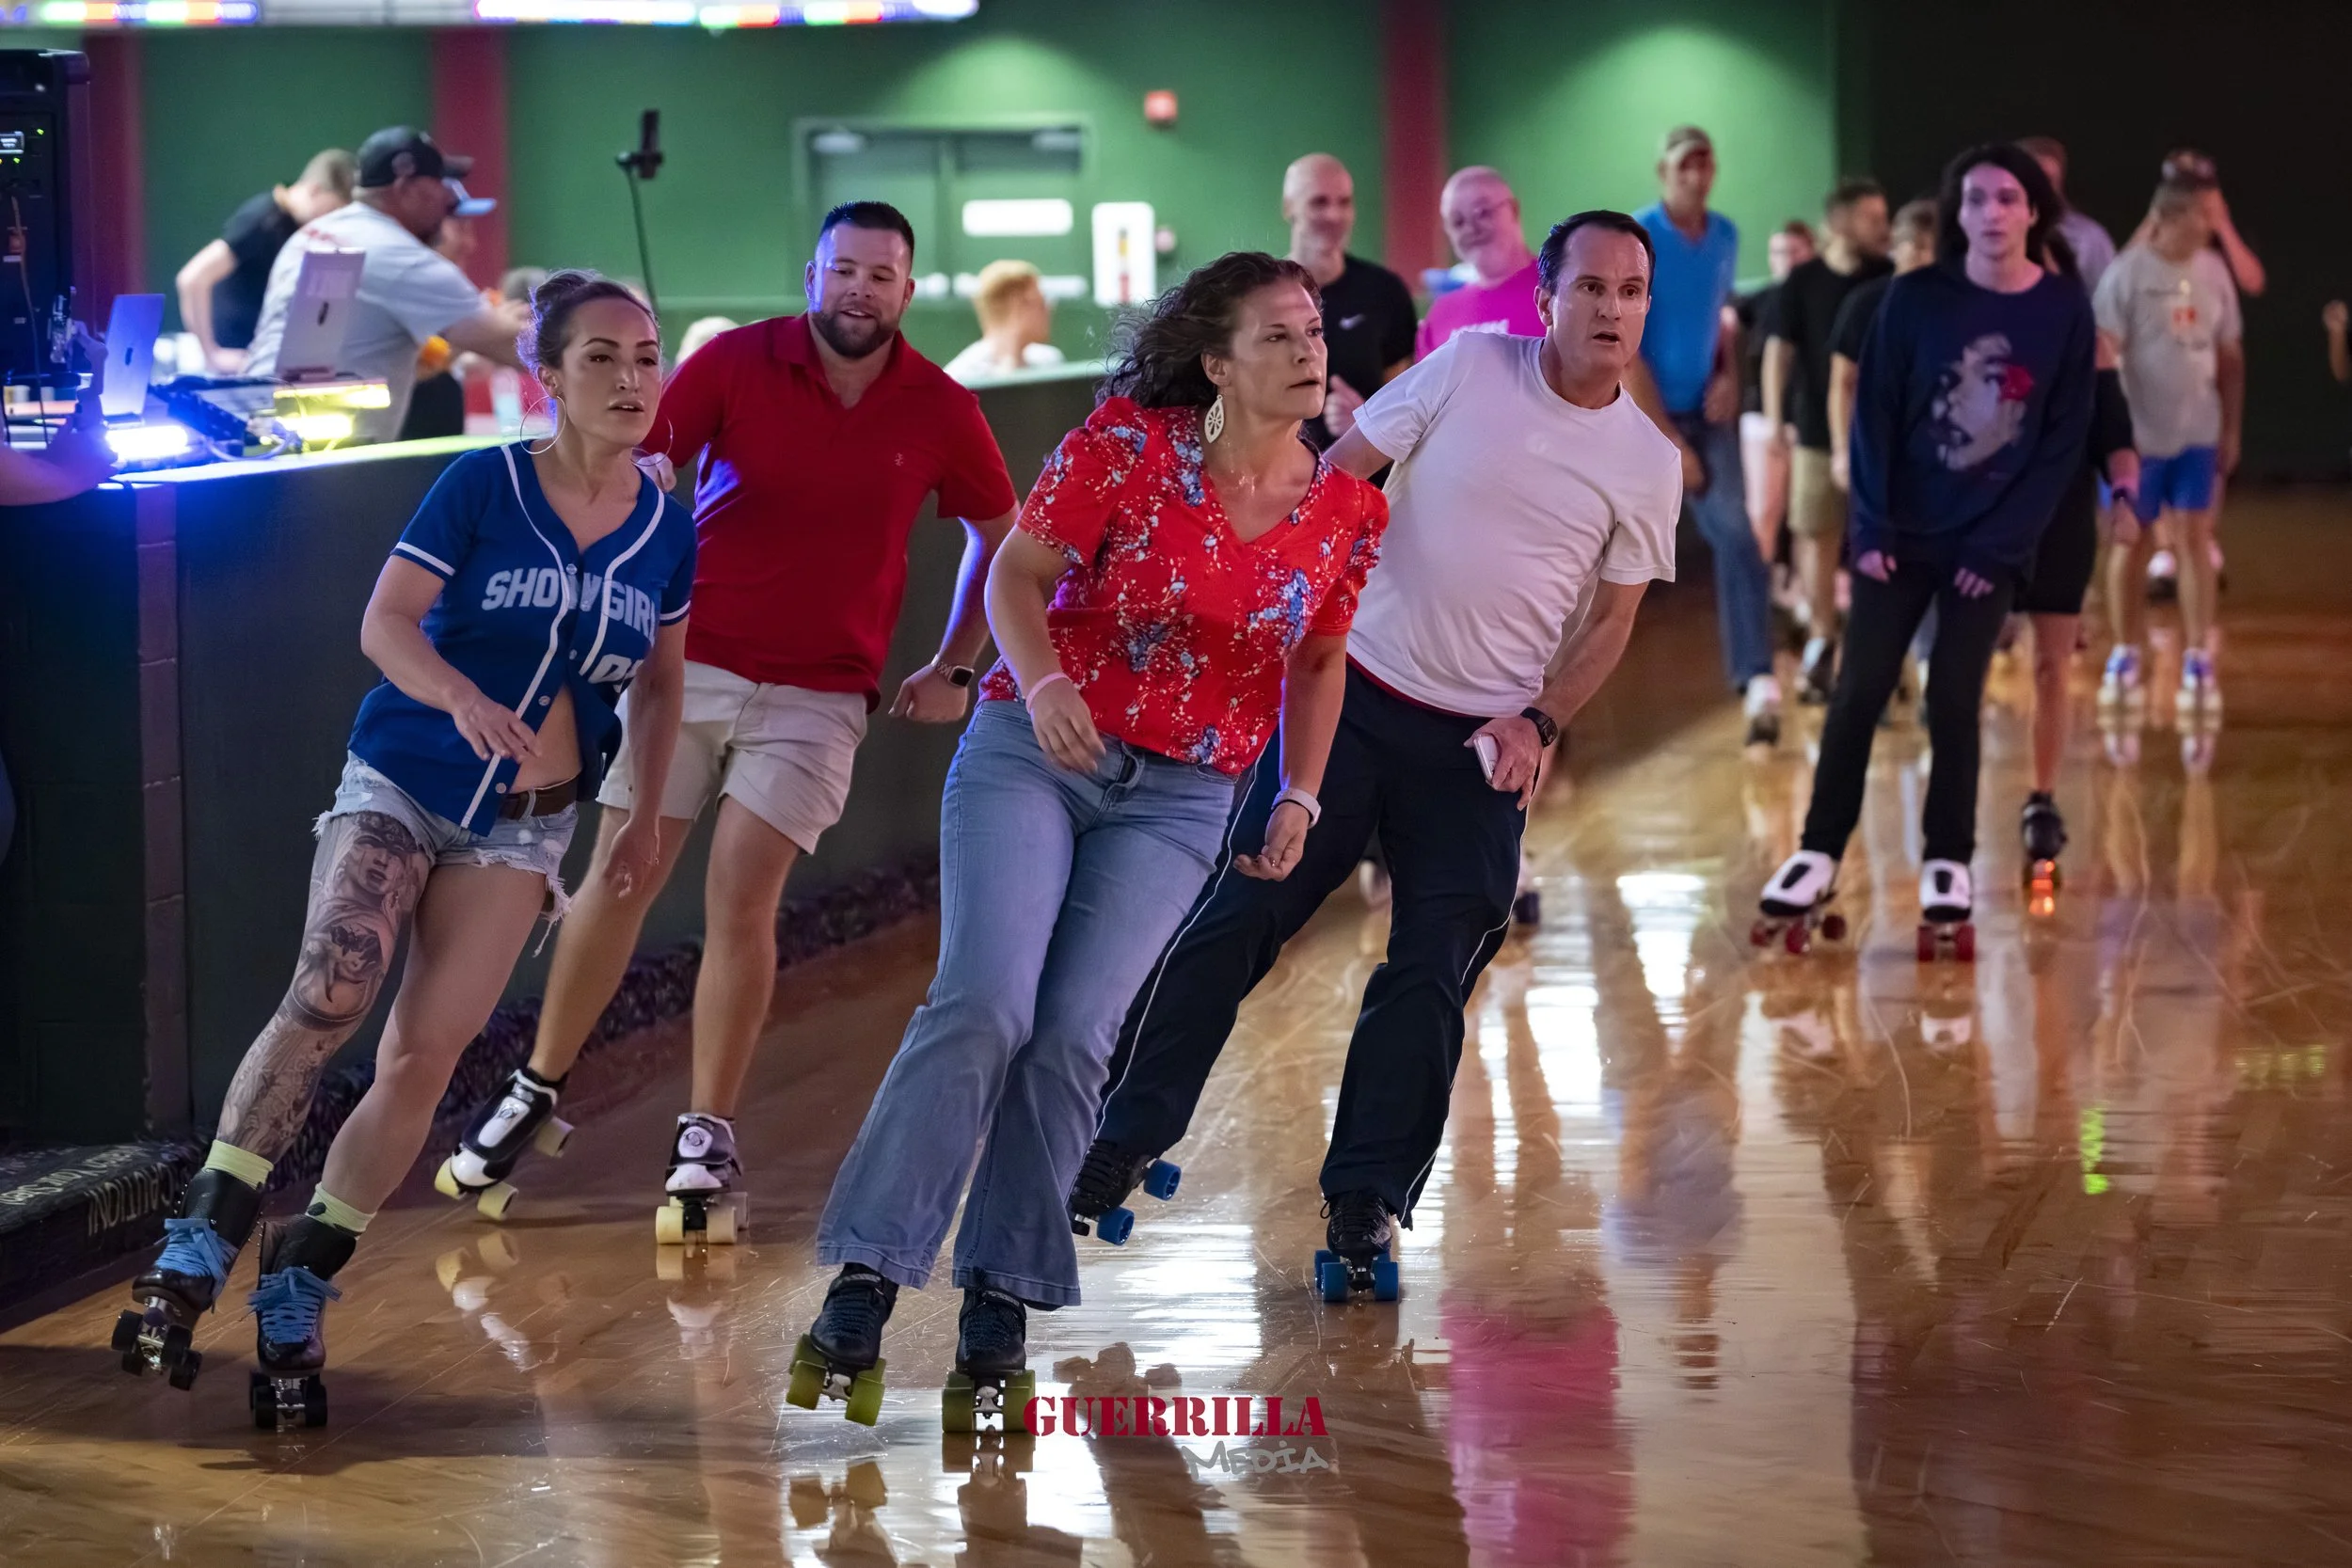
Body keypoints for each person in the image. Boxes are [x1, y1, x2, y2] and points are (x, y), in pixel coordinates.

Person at [788, 251, 1386, 1425]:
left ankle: (1000, 1294)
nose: (1309, 351)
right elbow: (1016, 576)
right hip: (1037, 751)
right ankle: (865, 1276)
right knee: (985, 1005)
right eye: (1277, 335)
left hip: (1181, 798)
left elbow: (1318, 658)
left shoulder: (1347, 511)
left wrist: (1300, 794)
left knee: (1072, 1036)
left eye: (1312, 331)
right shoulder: (1123, 446)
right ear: (1217, 363)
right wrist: (1045, 678)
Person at [114, 274, 695, 1418]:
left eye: (646, 355)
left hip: (525, 829)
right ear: (548, 372)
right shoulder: (483, 482)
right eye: (602, 359)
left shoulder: (664, 526)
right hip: (403, 782)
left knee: (423, 1060)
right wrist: (459, 696)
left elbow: (667, 681)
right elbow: (383, 620)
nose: (631, 380)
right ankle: (203, 1231)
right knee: (332, 993)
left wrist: (638, 819)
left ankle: (300, 1271)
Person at [1072, 212, 1677, 1300]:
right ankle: (1118, 1135)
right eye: (1590, 288)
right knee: (1241, 910)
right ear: (1545, 298)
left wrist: (1537, 722)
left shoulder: (1645, 461)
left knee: (1435, 961)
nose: (1610, 310)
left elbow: (1610, 620)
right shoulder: (1466, 368)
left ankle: (1365, 1202)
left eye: (1630, 292)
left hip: (1476, 745)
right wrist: (1278, 616)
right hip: (1348, 699)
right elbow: (1341, 472)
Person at [436, 202, 1019, 1237]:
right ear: (811, 276)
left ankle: (705, 1130)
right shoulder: (735, 365)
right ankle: (534, 1088)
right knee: (627, 865)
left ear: (907, 292)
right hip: (688, 660)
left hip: (822, 688)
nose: (860, 289)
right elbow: (635, 465)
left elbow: (1000, 541)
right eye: (844, 269)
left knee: (743, 895)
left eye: (881, 275)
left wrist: (956, 662)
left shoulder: (938, 406)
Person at [1756, 144, 2093, 953]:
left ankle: (1948, 859)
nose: (1990, 213)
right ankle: (1817, 849)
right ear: (1957, 215)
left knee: (1953, 698)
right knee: (1859, 690)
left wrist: (2002, 546)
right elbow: (1870, 419)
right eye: (1974, 199)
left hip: (1988, 545)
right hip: (1897, 541)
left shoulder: (2062, 311)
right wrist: (1870, 529)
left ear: (2033, 212)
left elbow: (2058, 444)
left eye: (2007, 199)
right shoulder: (1911, 300)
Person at [1629, 126, 1776, 748]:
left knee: (1738, 532)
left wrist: (1729, 378)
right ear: (1663, 170)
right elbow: (1626, 348)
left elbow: (1723, 319)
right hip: (1639, 417)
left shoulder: (1725, 236)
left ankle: (1759, 676)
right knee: (1595, 556)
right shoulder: (1639, 238)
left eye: (1705, 162)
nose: (1696, 174)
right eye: (1684, 164)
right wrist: (1668, 440)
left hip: (1706, 413)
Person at [244, 128, 529, 442]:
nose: (448, 198)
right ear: (405, 188)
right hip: (323, 456)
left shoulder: (314, 233)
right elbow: (517, 347)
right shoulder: (401, 257)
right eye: (439, 184)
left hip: (252, 431)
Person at [2094, 178, 2243, 720]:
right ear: (2168, 219)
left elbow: (2230, 357)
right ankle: (2124, 651)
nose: (2210, 226)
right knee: (2128, 542)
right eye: (2202, 217)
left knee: (2194, 538)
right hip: (2137, 438)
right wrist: (2108, 434)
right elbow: (2101, 351)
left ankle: (2198, 655)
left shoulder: (2213, 271)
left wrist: (2231, 430)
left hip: (2196, 435)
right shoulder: (2127, 273)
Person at [1764, 180, 1892, 703]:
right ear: (1840, 222)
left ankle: (1876, 649)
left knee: (1876, 542)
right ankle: (1821, 640)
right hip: (1817, 433)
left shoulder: (1888, 279)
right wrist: (1775, 421)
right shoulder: (1802, 281)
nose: (1882, 228)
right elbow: (1778, 351)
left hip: (1880, 437)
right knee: (1814, 535)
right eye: (1871, 218)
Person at [174, 150, 356, 376]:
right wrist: (211, 354)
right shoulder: (263, 218)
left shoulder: (295, 228)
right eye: (331, 211)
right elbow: (192, 278)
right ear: (314, 190)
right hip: (232, 365)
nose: (330, 222)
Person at [1279, 152, 1415, 446]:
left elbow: (1406, 410)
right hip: (1278, 479)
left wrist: (1363, 421)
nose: (1334, 215)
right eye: (1319, 202)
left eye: (1344, 202)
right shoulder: (1263, 295)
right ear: (1289, 207)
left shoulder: (1385, 291)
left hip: (1364, 482)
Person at [1735, 220, 1814, 566]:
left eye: (1795, 251)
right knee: (1763, 510)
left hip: (1809, 417)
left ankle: (1800, 591)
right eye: (1779, 252)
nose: (1787, 260)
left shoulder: (1824, 300)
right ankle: (1762, 592)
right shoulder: (1757, 303)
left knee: (1804, 517)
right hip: (1762, 417)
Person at [1417, 166, 1544, 356]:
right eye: (1458, 222)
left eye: (1483, 212)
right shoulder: (1439, 315)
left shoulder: (1558, 291)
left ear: (1513, 210)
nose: (1471, 229)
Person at [942, 259, 1066, 384]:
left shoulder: (1049, 361)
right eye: (1041, 302)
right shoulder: (960, 377)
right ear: (1017, 306)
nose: (1048, 311)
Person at [2019, 137, 2116, 295]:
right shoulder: (1994, 233)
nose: (2040, 188)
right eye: (2031, 179)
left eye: (2049, 180)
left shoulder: (2089, 240)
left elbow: (2104, 307)